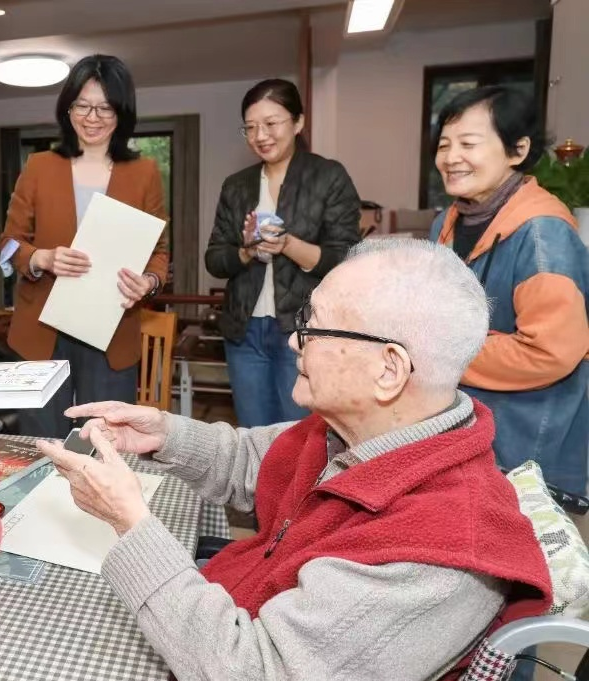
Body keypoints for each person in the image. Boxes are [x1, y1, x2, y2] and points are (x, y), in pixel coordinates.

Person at [38, 238, 551, 681]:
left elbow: (252, 669)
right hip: (233, 605)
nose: (292, 339)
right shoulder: (365, 431)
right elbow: (252, 461)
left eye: (313, 326)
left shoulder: (436, 554)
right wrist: (164, 434)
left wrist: (131, 524)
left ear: (389, 370)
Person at [428, 85, 589, 495]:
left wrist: (437, 353)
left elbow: (549, 351)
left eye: (469, 143)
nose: (450, 157)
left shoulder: (543, 234)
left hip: (528, 441)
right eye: (444, 144)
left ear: (517, 150)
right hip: (468, 427)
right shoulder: (446, 223)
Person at [0, 54, 169, 438]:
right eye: (82, 105)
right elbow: (8, 243)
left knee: (103, 440)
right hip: (42, 327)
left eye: (105, 108)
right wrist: (40, 257)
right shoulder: (40, 165)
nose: (92, 118)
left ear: (121, 112)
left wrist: (150, 282)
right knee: (41, 443)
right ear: (68, 108)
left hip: (111, 328)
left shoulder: (144, 173)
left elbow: (159, 252)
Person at [205, 79, 361, 427]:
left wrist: (287, 244)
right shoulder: (237, 185)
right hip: (244, 330)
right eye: (250, 127)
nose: (261, 135)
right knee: (253, 435)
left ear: (298, 123)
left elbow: (346, 259)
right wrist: (246, 251)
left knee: (298, 435)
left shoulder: (328, 176)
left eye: (271, 123)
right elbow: (214, 259)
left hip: (304, 329)